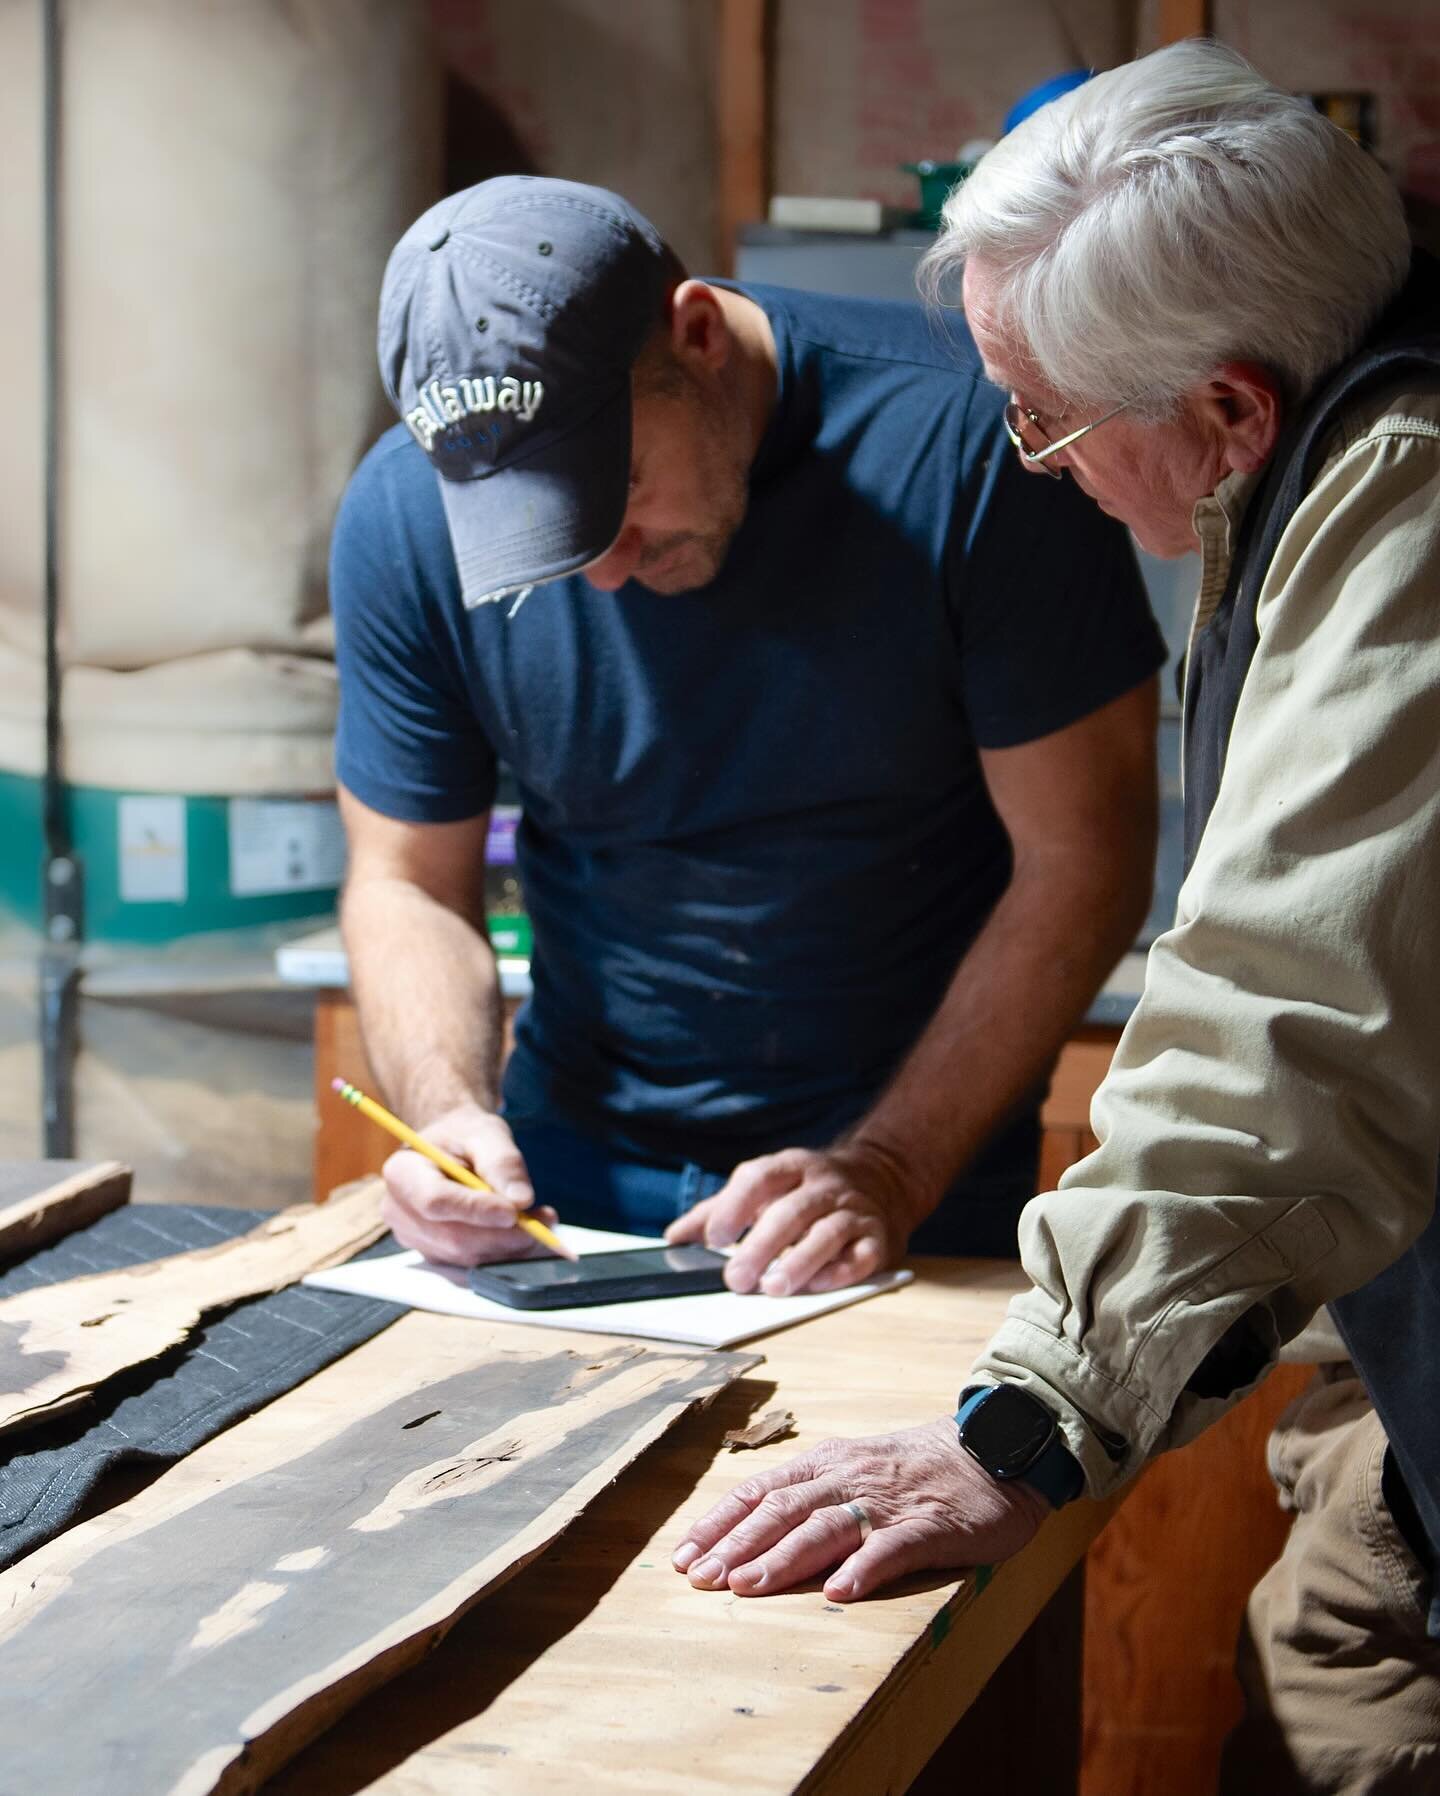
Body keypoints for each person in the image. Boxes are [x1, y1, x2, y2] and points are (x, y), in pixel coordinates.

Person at [673, 41, 1440, 1793]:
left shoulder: (1408, 493)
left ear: (1230, 409)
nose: (1037, 465)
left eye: (1048, 419)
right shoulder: (1315, 445)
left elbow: (1283, 1013)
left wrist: (1034, 1421)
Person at [331, 174, 1163, 1297]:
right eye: (539, 534)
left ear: (697, 334)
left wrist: (890, 1164)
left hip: (911, 1168)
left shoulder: (979, 443)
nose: (604, 567)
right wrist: (447, 1118)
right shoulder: (400, 516)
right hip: (560, 1176)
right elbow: (405, 882)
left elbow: (1086, 860)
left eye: (616, 488)